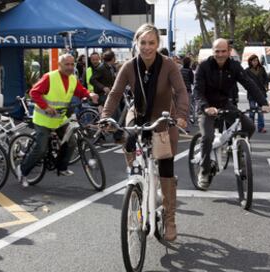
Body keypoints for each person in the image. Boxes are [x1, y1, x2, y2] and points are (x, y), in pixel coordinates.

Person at [101, 23, 188, 241]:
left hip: (163, 119)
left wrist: (182, 116)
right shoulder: (129, 66)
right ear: (137, 43)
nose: (147, 47)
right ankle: (135, 175)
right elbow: (114, 94)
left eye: (152, 43)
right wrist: (105, 117)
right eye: (143, 43)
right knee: (128, 137)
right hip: (138, 115)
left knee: (166, 168)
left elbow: (181, 92)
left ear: (158, 44)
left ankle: (169, 219)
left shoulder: (168, 65)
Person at [193, 38, 270, 189]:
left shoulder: (234, 66)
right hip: (206, 106)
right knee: (207, 137)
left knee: (249, 126)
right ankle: (204, 171)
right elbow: (197, 91)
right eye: (217, 51)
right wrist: (205, 107)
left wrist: (263, 103)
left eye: (223, 51)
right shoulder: (204, 67)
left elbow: (249, 84)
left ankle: (237, 150)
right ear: (213, 52)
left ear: (229, 52)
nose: (220, 54)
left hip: (224, 104)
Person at [16, 54, 98, 187]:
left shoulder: (72, 79)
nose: (70, 67)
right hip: (43, 119)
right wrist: (46, 107)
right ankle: (23, 170)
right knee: (41, 149)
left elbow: (80, 90)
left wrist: (90, 94)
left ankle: (61, 167)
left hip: (59, 119)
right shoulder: (50, 77)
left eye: (72, 64)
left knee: (71, 141)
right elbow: (34, 92)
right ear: (59, 65)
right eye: (67, 64)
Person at [245, 54, 269, 133]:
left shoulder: (261, 69)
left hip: (261, 92)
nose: (255, 62)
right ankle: (251, 127)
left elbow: (266, 78)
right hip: (251, 93)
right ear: (250, 62)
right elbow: (244, 81)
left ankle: (261, 127)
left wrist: (266, 85)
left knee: (261, 111)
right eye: (253, 61)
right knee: (252, 111)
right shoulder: (247, 71)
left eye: (256, 60)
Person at [180, 56, 194, 131]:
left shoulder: (180, 70)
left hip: (180, 92)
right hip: (188, 91)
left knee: (181, 109)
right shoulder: (190, 71)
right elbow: (192, 81)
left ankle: (180, 126)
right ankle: (186, 127)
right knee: (187, 110)